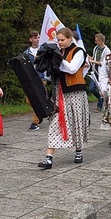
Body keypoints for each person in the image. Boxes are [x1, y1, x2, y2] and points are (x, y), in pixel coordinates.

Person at [38, 28, 89, 169]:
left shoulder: (79, 51)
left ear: (70, 38)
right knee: (55, 123)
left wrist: (57, 59)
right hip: (59, 92)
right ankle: (49, 158)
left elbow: (72, 69)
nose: (59, 42)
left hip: (75, 92)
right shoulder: (57, 52)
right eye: (58, 40)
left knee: (76, 122)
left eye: (62, 40)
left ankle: (78, 150)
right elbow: (52, 72)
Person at [22, 30, 45, 131]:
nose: (37, 40)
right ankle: (43, 109)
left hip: (41, 77)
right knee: (29, 100)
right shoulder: (26, 53)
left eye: (38, 37)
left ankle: (35, 122)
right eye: (35, 38)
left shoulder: (43, 50)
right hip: (31, 78)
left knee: (36, 98)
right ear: (30, 39)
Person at [87, 34, 110, 112]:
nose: (95, 42)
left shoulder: (107, 50)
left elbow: (104, 63)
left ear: (101, 41)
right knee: (91, 88)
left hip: (101, 73)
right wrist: (90, 58)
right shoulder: (96, 48)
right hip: (94, 71)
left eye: (97, 41)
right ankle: (101, 98)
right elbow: (94, 58)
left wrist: (93, 61)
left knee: (101, 89)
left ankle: (99, 106)